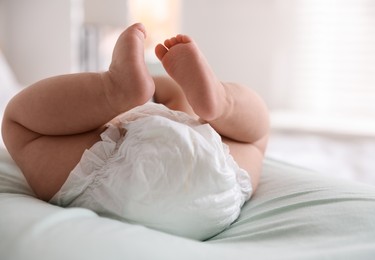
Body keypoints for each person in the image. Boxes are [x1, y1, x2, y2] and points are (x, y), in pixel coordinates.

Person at [1, 23, 269, 239]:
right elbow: (175, 92)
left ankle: (111, 89)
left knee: (18, 124)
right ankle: (222, 101)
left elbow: (66, 120)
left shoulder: (110, 124)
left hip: (106, 177)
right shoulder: (182, 113)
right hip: (212, 196)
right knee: (255, 138)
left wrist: (116, 100)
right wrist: (161, 88)